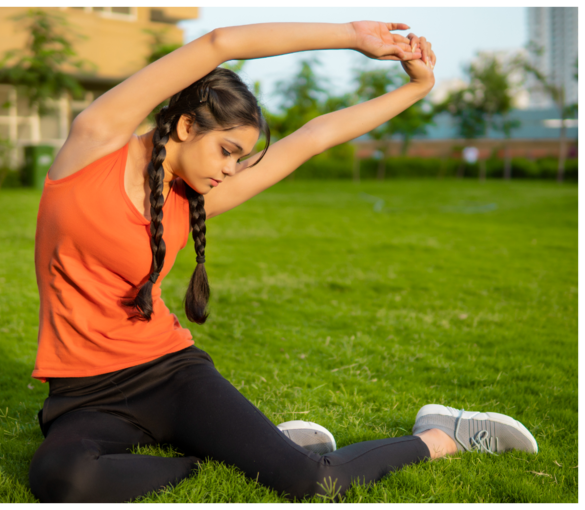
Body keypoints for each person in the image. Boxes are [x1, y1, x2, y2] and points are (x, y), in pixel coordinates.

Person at [27, 20, 537, 503]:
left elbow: (311, 139)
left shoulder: (192, 198)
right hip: (83, 394)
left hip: (168, 375)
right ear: (185, 125)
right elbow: (218, 43)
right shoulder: (94, 145)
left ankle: (442, 434)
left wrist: (415, 90)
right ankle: (235, 456)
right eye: (226, 151)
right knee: (60, 478)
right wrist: (349, 36)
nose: (231, 170)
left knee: (312, 484)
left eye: (239, 158)